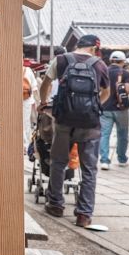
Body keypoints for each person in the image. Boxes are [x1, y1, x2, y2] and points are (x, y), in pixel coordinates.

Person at [39, 34, 110, 228]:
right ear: (94, 49)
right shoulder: (100, 64)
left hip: (64, 121)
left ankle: (55, 204)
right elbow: (107, 92)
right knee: (89, 169)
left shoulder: (61, 60)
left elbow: (45, 84)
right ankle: (84, 215)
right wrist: (94, 106)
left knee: (58, 162)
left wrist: (44, 103)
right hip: (90, 124)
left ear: (78, 45)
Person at [99, 51, 129, 169]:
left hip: (105, 108)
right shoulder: (125, 73)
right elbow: (127, 90)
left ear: (111, 60)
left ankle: (104, 161)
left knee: (104, 134)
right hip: (121, 108)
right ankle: (122, 159)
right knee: (122, 134)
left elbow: (100, 89)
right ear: (123, 61)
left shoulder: (103, 71)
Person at [22, 60, 39, 153]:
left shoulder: (11, 70)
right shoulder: (28, 70)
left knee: (19, 123)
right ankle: (25, 145)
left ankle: (24, 144)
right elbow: (34, 87)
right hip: (27, 100)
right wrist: (38, 102)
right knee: (25, 123)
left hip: (17, 100)